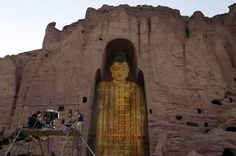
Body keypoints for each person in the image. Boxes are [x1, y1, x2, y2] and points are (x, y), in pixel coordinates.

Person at [95, 54, 146, 156]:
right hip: (109, 123)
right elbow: (101, 108)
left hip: (128, 124)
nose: (120, 73)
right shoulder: (103, 87)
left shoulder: (134, 88)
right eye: (116, 69)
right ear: (111, 70)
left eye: (123, 69)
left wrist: (134, 121)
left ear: (128, 71)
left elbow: (139, 108)